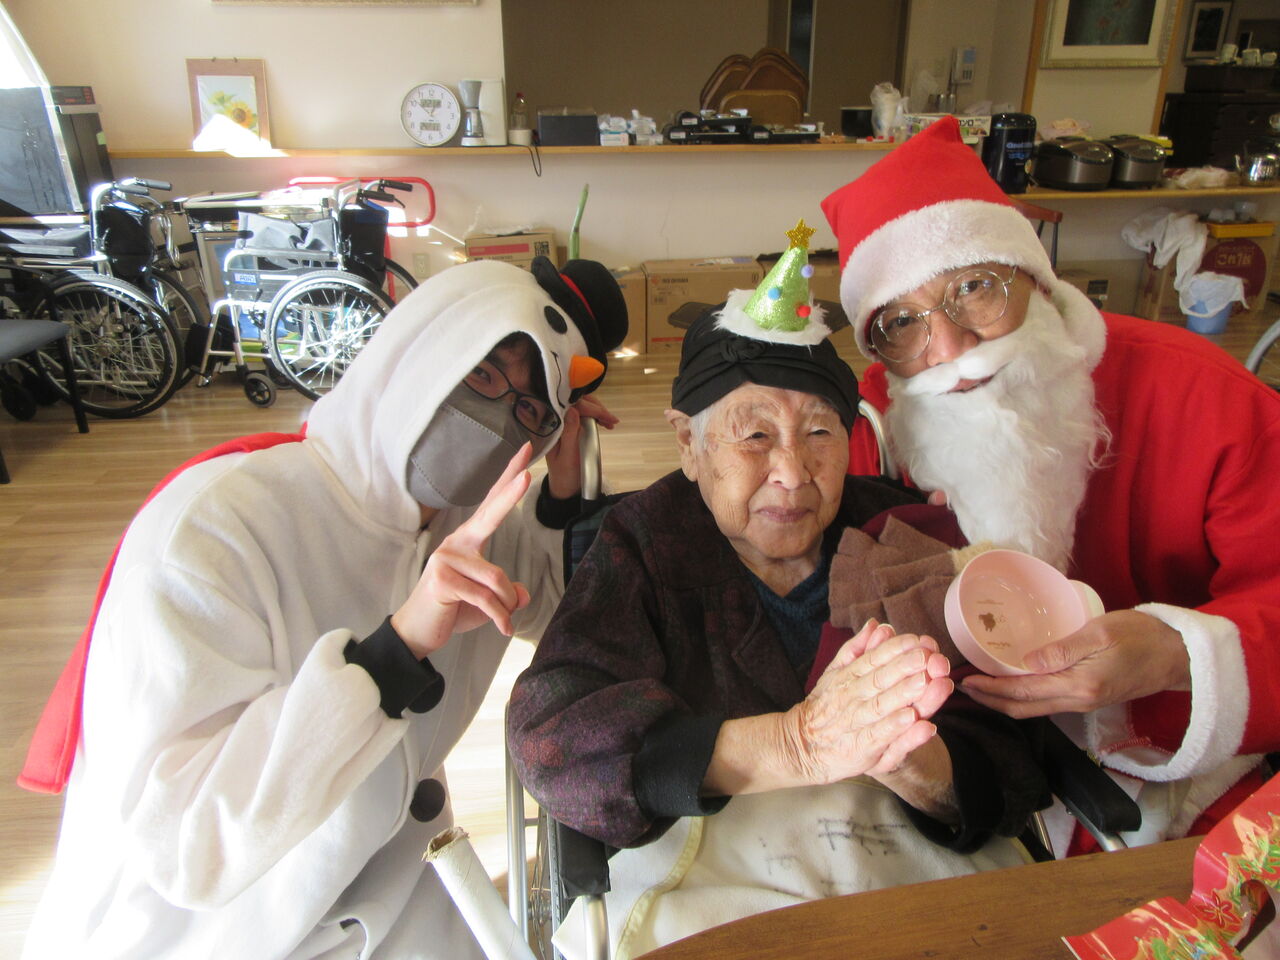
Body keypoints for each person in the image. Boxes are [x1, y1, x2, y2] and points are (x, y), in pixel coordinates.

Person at [19, 256, 627, 959]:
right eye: (485, 375)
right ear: (421, 347)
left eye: (529, 410)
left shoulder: (464, 518)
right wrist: (391, 656)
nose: (494, 421)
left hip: (390, 871)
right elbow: (188, 845)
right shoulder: (212, 530)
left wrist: (562, 485)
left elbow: (544, 612)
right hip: (214, 929)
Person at [508, 227, 1045, 959]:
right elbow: (552, 735)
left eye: (820, 432)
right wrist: (798, 745)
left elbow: (1016, 754)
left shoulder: (900, 531)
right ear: (689, 444)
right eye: (755, 437)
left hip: (912, 883)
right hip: (722, 893)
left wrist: (916, 764)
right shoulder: (646, 542)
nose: (792, 472)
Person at [821, 116, 1280, 857]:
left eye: (975, 288)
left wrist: (1176, 652)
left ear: (1035, 277)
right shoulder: (872, 433)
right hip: (981, 780)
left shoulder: (1206, 396)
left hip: (1185, 758)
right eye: (902, 322)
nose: (952, 349)